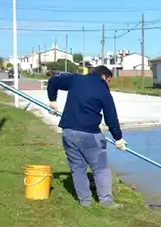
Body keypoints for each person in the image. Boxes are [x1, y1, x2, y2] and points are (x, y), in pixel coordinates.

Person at [47, 65, 127, 208]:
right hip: (90, 135)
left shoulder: (76, 79)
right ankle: (106, 202)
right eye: (109, 81)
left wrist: (52, 101)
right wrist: (118, 138)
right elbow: (112, 120)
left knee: (78, 169)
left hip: (68, 133)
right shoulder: (103, 91)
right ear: (105, 77)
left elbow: (53, 81)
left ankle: (85, 202)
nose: (108, 84)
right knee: (101, 168)